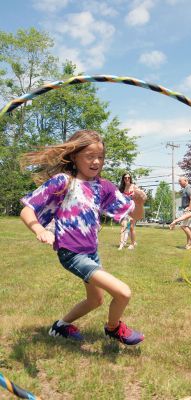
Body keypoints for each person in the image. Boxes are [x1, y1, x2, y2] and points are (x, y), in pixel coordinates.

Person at [20, 129, 147, 345]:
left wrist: (141, 202)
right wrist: (40, 230)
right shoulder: (63, 181)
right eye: (90, 156)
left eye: (101, 157)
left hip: (91, 252)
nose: (97, 162)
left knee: (95, 300)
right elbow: (27, 209)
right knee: (123, 293)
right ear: (74, 156)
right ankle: (113, 328)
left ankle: (60, 326)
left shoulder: (103, 186)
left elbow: (135, 215)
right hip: (72, 253)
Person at [119, 173, 140, 250]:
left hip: (133, 209)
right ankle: (122, 243)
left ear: (130, 178)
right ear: (123, 179)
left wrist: (134, 196)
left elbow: (140, 196)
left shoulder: (134, 186)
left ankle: (132, 244)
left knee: (131, 227)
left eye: (128, 177)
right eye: (125, 178)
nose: (127, 179)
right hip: (125, 209)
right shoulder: (121, 188)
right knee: (123, 226)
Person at [178, 177, 191, 249]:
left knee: (183, 226)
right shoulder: (186, 188)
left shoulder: (189, 187)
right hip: (188, 208)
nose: (179, 183)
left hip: (189, 208)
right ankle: (189, 244)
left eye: (180, 181)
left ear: (185, 181)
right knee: (188, 227)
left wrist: (189, 208)